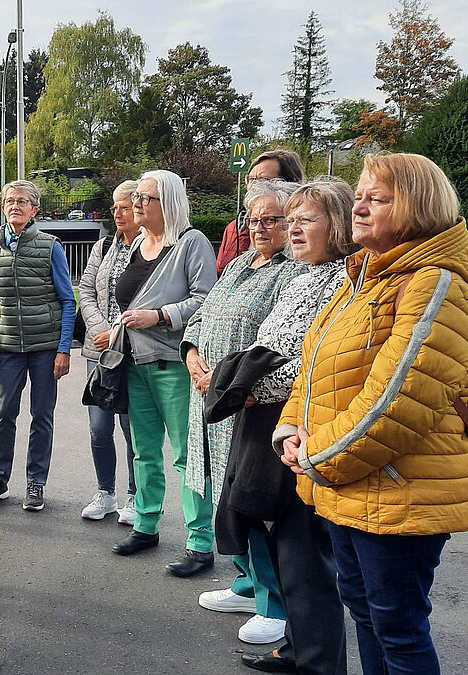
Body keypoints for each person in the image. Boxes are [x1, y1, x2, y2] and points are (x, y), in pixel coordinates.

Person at [276, 153, 468, 675]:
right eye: (360, 196)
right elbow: (315, 364)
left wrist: (316, 456)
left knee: (398, 629)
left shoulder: (433, 283)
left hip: (397, 490)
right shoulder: (365, 277)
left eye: (378, 198)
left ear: (416, 206)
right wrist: (290, 428)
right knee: (368, 618)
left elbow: (396, 402)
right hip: (349, 484)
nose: (360, 207)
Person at [205, 180, 359, 674]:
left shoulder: (342, 281)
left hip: (303, 429)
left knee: (306, 555)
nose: (292, 228)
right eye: (289, 219)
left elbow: (319, 363)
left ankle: (317, 662)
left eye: (304, 219)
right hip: (271, 421)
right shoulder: (301, 276)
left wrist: (252, 388)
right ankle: (296, 647)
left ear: (336, 225)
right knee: (283, 546)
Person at [183, 180, 306, 644]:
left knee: (251, 499)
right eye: (253, 220)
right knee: (223, 494)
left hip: (254, 406)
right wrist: (194, 358)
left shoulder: (291, 274)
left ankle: (273, 604)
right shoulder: (236, 265)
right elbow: (201, 317)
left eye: (270, 220)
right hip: (212, 398)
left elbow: (279, 345)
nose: (259, 228)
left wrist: (228, 382)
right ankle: (245, 582)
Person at [108, 169, 218, 578]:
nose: (136, 204)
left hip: (174, 365)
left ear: (168, 202)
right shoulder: (138, 242)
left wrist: (159, 315)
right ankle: (146, 525)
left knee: (187, 457)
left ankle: (199, 542)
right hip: (134, 363)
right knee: (144, 452)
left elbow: (206, 301)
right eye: (135, 196)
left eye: (145, 198)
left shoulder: (192, 243)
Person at [0, 179, 76, 512]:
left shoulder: (51, 246)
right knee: (4, 413)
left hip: (46, 346)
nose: (14, 206)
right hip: (9, 347)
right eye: (8, 201)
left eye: (21, 201)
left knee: (41, 416)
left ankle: (36, 482)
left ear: (34, 210)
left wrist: (64, 349)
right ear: (3, 208)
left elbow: (67, 299)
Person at [77, 181, 139, 523]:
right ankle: (105, 493)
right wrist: (100, 327)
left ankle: (134, 495)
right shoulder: (102, 247)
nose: (118, 213)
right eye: (115, 207)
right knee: (99, 427)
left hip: (132, 349)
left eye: (125, 207)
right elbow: (85, 289)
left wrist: (117, 331)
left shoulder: (149, 249)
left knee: (132, 428)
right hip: (98, 349)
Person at [214, 149, 305, 276]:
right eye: (251, 179)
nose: (253, 186)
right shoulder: (234, 228)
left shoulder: (303, 246)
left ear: (289, 184)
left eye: (262, 180)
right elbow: (219, 273)